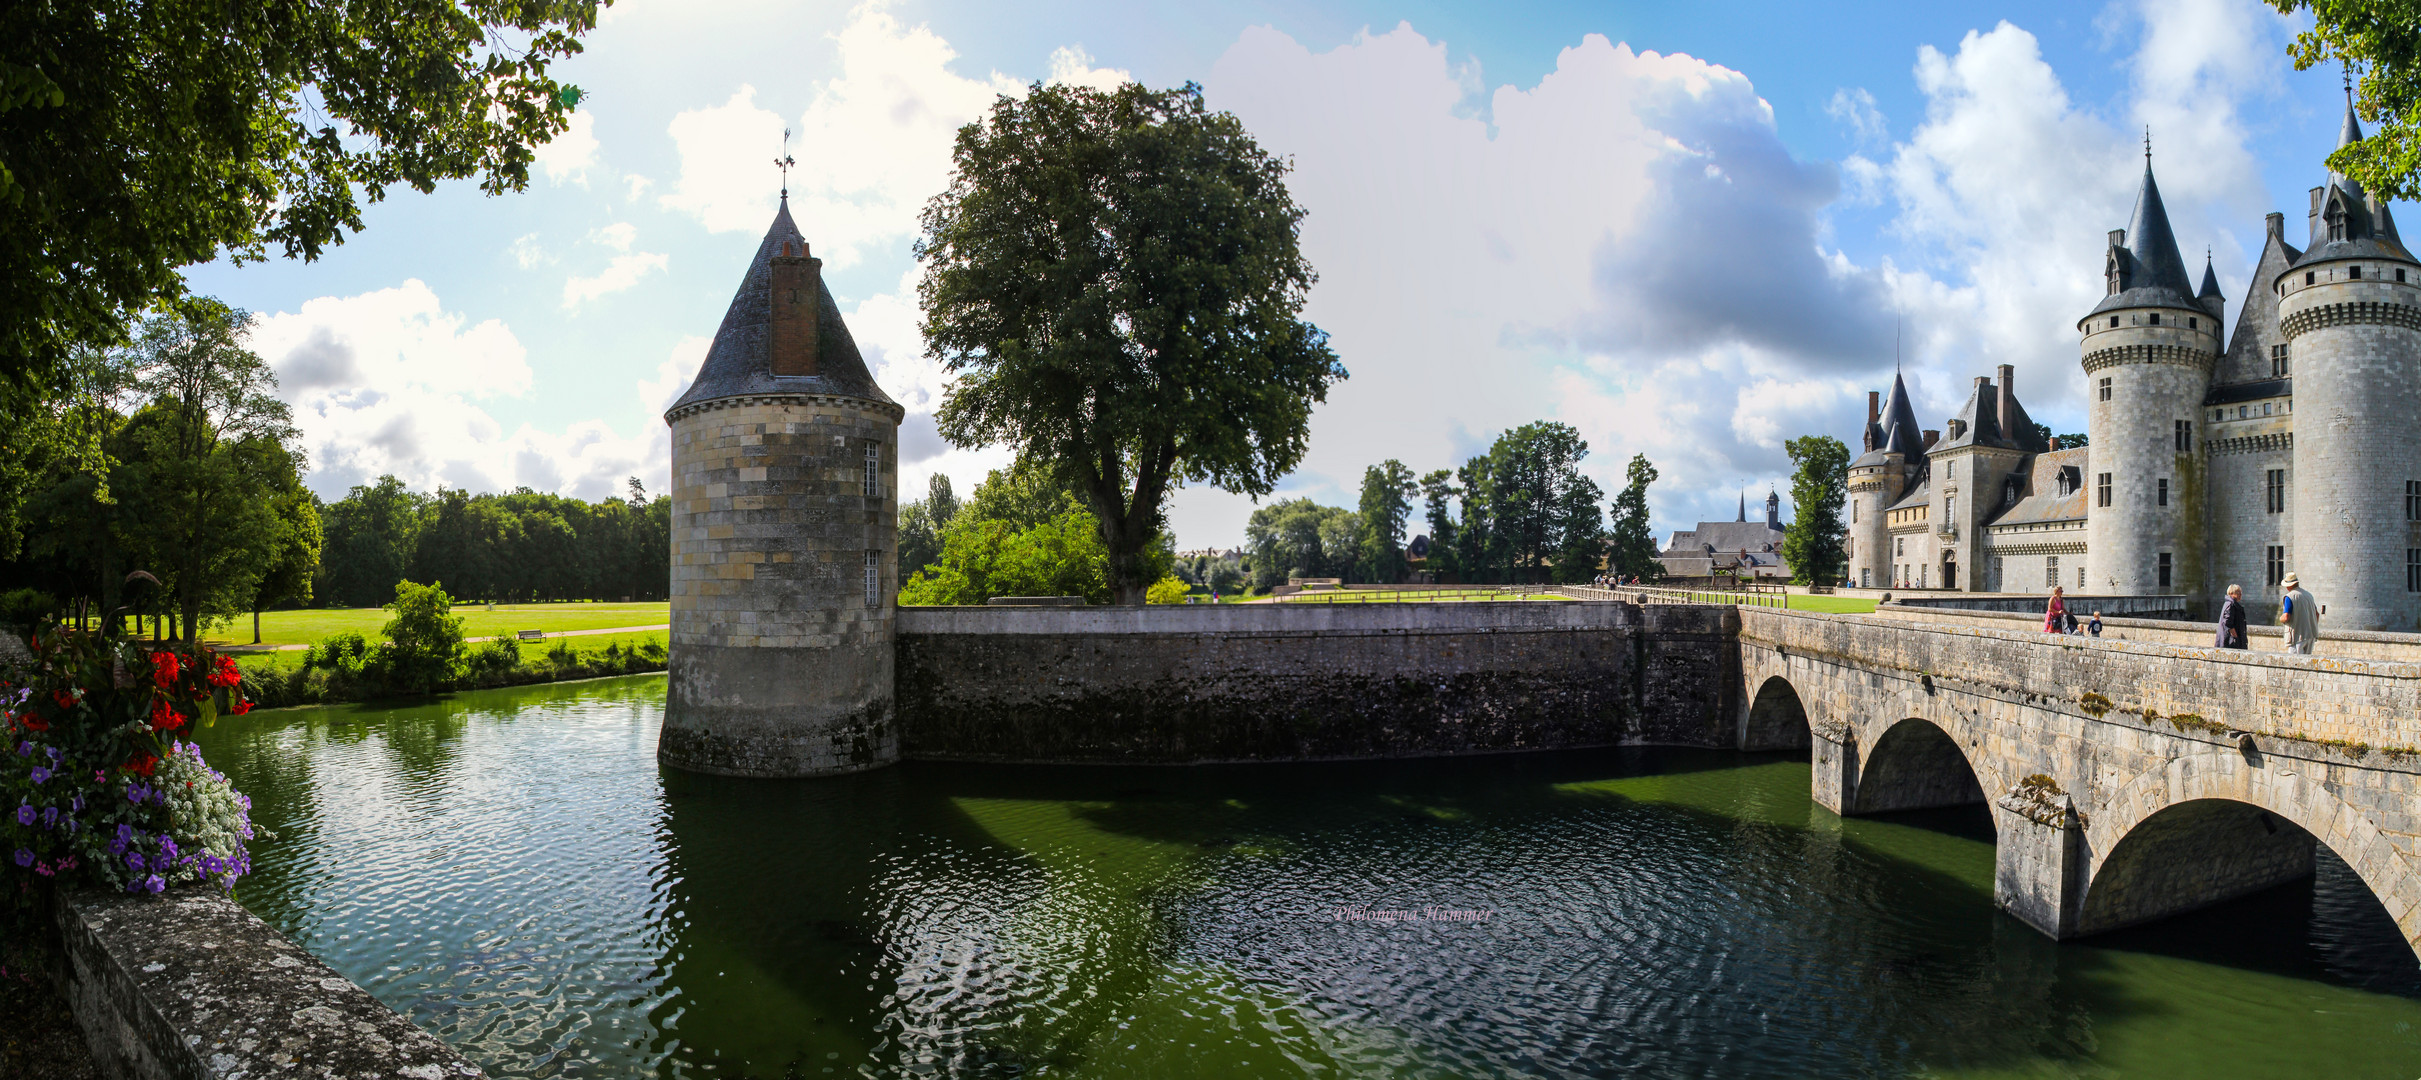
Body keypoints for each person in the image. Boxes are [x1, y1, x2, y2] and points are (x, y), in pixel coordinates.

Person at [2279, 572, 2319, 655]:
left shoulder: (2290, 597)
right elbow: (2317, 614)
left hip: (2297, 636)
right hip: (2310, 635)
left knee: (2294, 664)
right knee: (2307, 663)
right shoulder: (2309, 595)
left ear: (2289, 585)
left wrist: (2281, 618)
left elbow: (2286, 617)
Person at [2215, 584, 2248, 649]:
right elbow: (2228, 623)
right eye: (2238, 592)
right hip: (2230, 642)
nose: (2240, 594)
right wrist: (2236, 638)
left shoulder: (2231, 604)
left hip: (2231, 641)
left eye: (2240, 592)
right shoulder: (2230, 604)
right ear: (2231, 593)